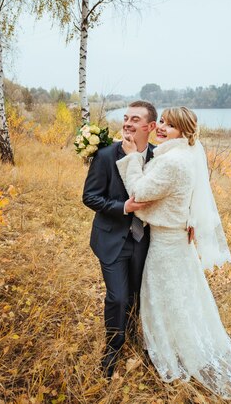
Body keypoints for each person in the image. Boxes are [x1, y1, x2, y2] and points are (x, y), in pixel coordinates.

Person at [115, 107, 231, 400]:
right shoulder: (183, 155)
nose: (162, 129)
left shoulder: (174, 162)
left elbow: (139, 192)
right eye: (163, 123)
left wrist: (130, 158)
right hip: (175, 240)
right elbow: (190, 197)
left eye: (171, 125)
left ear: (185, 131)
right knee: (183, 297)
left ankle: (173, 352)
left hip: (166, 245)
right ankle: (180, 344)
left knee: (165, 299)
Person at [82, 100, 157, 378]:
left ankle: (134, 335)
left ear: (150, 127)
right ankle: (113, 348)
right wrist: (122, 208)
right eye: (126, 117)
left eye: (135, 119)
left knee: (137, 295)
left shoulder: (158, 158)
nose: (127, 123)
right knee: (117, 297)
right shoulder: (105, 155)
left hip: (145, 241)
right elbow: (89, 196)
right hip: (112, 238)